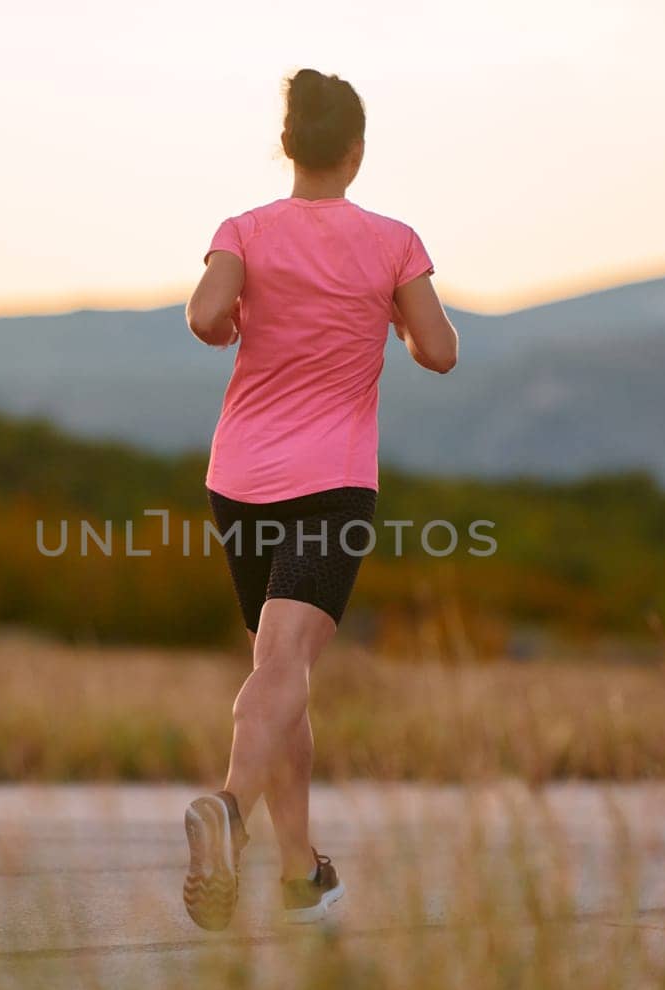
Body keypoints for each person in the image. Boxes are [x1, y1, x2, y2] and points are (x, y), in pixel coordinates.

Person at [181, 68, 459, 930]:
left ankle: (303, 874)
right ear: (355, 151)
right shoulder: (393, 241)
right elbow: (441, 350)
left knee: (282, 672)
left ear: (290, 146)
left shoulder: (244, 229)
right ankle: (227, 811)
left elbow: (204, 314)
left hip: (239, 481)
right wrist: (402, 324)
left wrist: (235, 322)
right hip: (330, 485)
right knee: (282, 670)